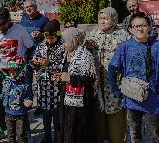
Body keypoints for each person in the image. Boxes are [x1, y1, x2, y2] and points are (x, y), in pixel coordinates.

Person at [108, 12, 159, 143]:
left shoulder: (157, 46)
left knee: (156, 134)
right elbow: (112, 68)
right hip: (132, 97)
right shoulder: (124, 47)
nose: (140, 29)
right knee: (135, 134)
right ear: (130, 29)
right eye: (136, 26)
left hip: (153, 98)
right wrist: (115, 89)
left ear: (149, 27)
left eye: (143, 25)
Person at [86, 7, 129, 143]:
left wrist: (122, 48)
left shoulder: (124, 35)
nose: (102, 21)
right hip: (97, 82)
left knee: (115, 113)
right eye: (101, 19)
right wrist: (86, 45)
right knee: (98, 113)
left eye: (106, 18)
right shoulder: (93, 34)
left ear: (115, 19)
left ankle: (117, 139)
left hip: (116, 83)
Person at [55, 27, 97, 143]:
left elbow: (91, 79)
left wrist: (71, 78)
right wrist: (61, 78)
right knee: (67, 127)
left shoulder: (86, 56)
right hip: (67, 99)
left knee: (79, 130)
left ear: (74, 41)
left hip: (81, 103)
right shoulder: (66, 55)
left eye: (66, 41)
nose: (64, 45)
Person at [31, 20, 66, 143]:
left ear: (58, 35)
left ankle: (57, 138)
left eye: (52, 38)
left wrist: (49, 63)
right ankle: (47, 136)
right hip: (44, 87)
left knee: (57, 114)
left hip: (57, 86)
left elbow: (64, 66)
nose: (49, 40)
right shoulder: (41, 45)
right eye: (47, 37)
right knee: (46, 114)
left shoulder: (63, 46)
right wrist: (35, 64)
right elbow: (34, 60)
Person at [0, 57, 33, 143]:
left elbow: (29, 95)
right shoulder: (6, 81)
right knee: (10, 136)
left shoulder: (25, 82)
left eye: (14, 71)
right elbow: (3, 95)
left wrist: (28, 101)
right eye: (10, 71)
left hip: (20, 113)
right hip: (8, 113)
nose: (12, 73)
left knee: (21, 136)